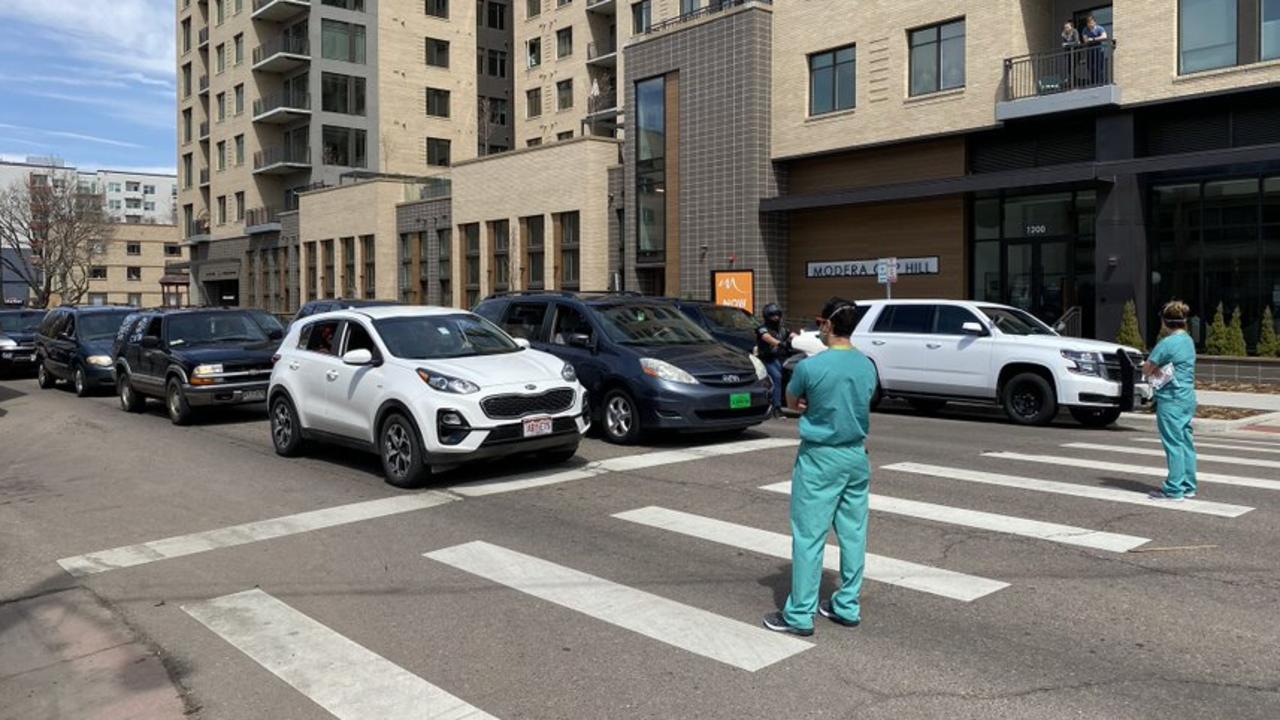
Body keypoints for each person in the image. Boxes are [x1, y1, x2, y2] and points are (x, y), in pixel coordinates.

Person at [763, 298, 877, 636]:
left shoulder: (810, 367)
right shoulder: (867, 364)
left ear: (827, 325)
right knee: (854, 533)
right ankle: (846, 606)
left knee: (810, 536)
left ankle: (799, 615)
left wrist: (808, 404)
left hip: (820, 456)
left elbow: (791, 401)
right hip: (856, 456)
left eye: (819, 321)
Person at [1144, 300, 1198, 501]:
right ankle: (1188, 486)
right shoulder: (1188, 341)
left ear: (1165, 322)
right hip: (1187, 397)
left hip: (1171, 398)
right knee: (1185, 442)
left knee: (1173, 444)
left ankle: (1174, 489)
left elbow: (1147, 368)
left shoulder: (1166, 343)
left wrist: (1153, 369)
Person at [755, 303, 794, 417]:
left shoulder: (782, 330)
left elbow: (793, 335)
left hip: (781, 359)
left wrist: (801, 340)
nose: (776, 318)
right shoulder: (762, 329)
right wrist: (780, 343)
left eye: (778, 315)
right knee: (777, 376)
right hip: (766, 359)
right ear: (767, 316)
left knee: (793, 372)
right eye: (773, 315)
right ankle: (776, 407)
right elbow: (767, 337)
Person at [1081, 15, 1109, 84]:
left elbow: (1104, 36)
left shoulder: (1099, 28)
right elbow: (1085, 40)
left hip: (1099, 50)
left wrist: (1093, 39)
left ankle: (1101, 81)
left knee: (1099, 66)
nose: (1090, 24)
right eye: (1088, 23)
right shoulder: (1085, 29)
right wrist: (1089, 40)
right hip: (1090, 50)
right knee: (1090, 67)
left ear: (1095, 22)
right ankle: (1094, 82)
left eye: (1091, 23)